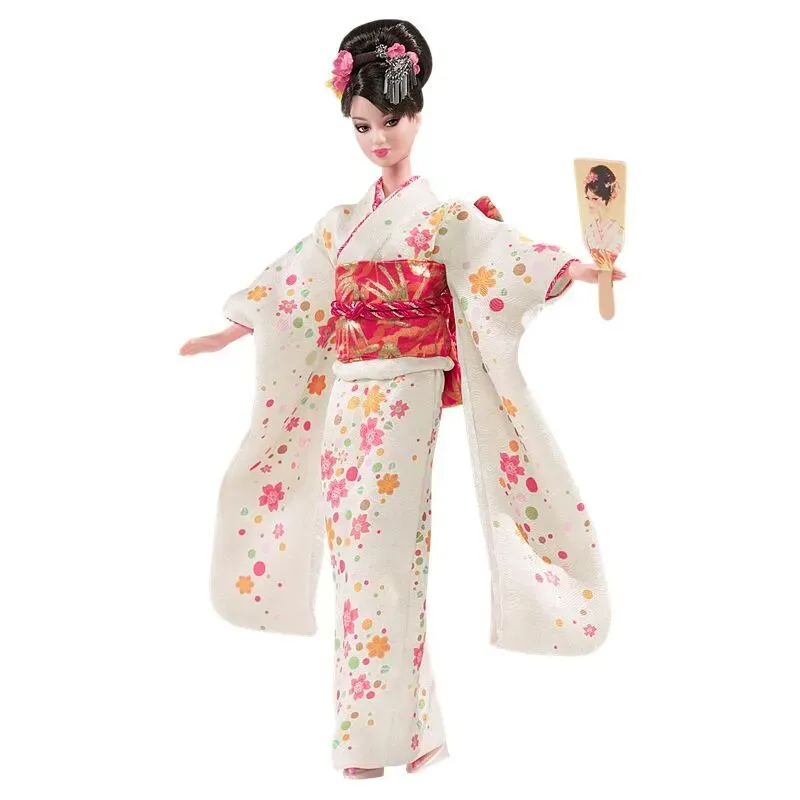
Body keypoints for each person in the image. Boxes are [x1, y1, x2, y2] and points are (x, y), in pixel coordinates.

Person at [179, 18, 623, 779]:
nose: (378, 139)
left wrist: (579, 271)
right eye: (362, 126)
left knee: (386, 556)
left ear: (417, 113)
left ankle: (371, 739)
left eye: (391, 121)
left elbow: (505, 255)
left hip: (404, 400)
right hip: (347, 401)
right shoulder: (341, 225)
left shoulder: (444, 220)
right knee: (358, 560)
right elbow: (291, 290)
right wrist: (234, 327)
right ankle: (409, 735)